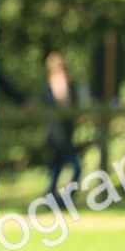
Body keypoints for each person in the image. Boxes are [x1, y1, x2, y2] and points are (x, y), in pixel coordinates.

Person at [43, 51, 81, 201]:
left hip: (63, 134)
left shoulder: (64, 85)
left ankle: (54, 200)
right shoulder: (54, 84)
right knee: (74, 168)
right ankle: (63, 201)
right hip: (58, 136)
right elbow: (64, 105)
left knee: (56, 170)